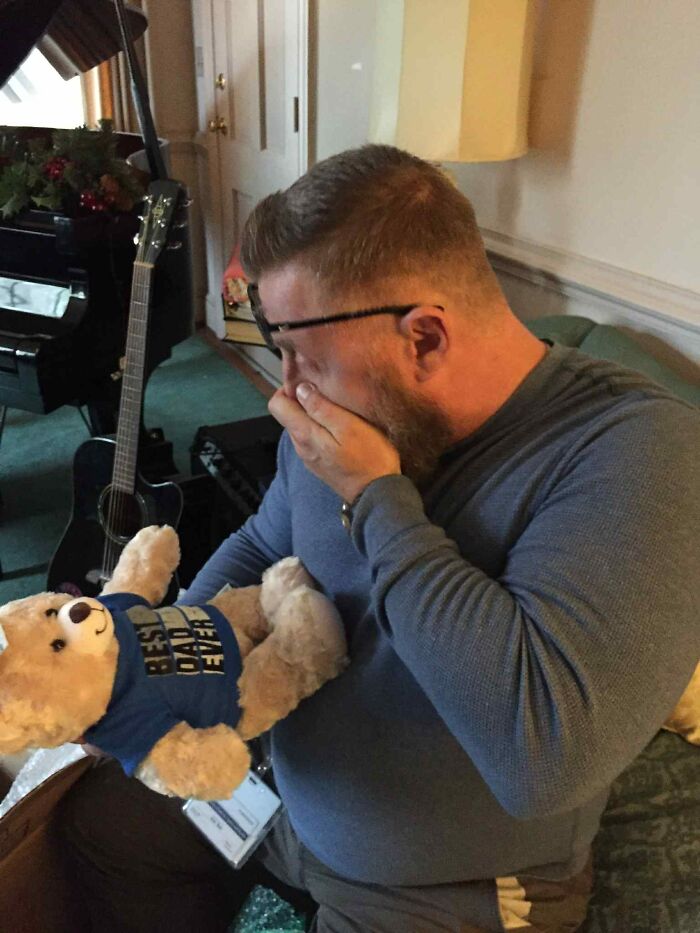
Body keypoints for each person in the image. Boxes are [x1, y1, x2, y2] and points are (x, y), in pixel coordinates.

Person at [57, 144, 700, 932]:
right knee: (103, 827)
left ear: (425, 337)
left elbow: (544, 756)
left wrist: (376, 496)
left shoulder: (639, 453)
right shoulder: (351, 409)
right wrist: (152, 657)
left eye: (300, 353)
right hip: (281, 804)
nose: (284, 393)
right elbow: (266, 543)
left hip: (444, 883)